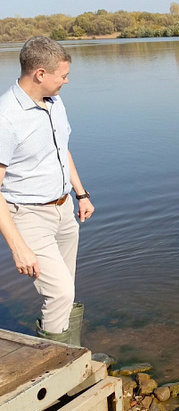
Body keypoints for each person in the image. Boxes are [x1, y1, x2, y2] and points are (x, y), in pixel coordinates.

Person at [0, 36, 94, 346]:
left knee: (67, 290)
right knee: (60, 291)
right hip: (28, 216)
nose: (66, 82)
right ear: (40, 73)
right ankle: (55, 364)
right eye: (63, 76)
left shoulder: (54, 102)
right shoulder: (6, 117)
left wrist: (81, 194)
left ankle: (70, 353)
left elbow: (61, 149)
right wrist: (18, 246)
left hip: (64, 209)